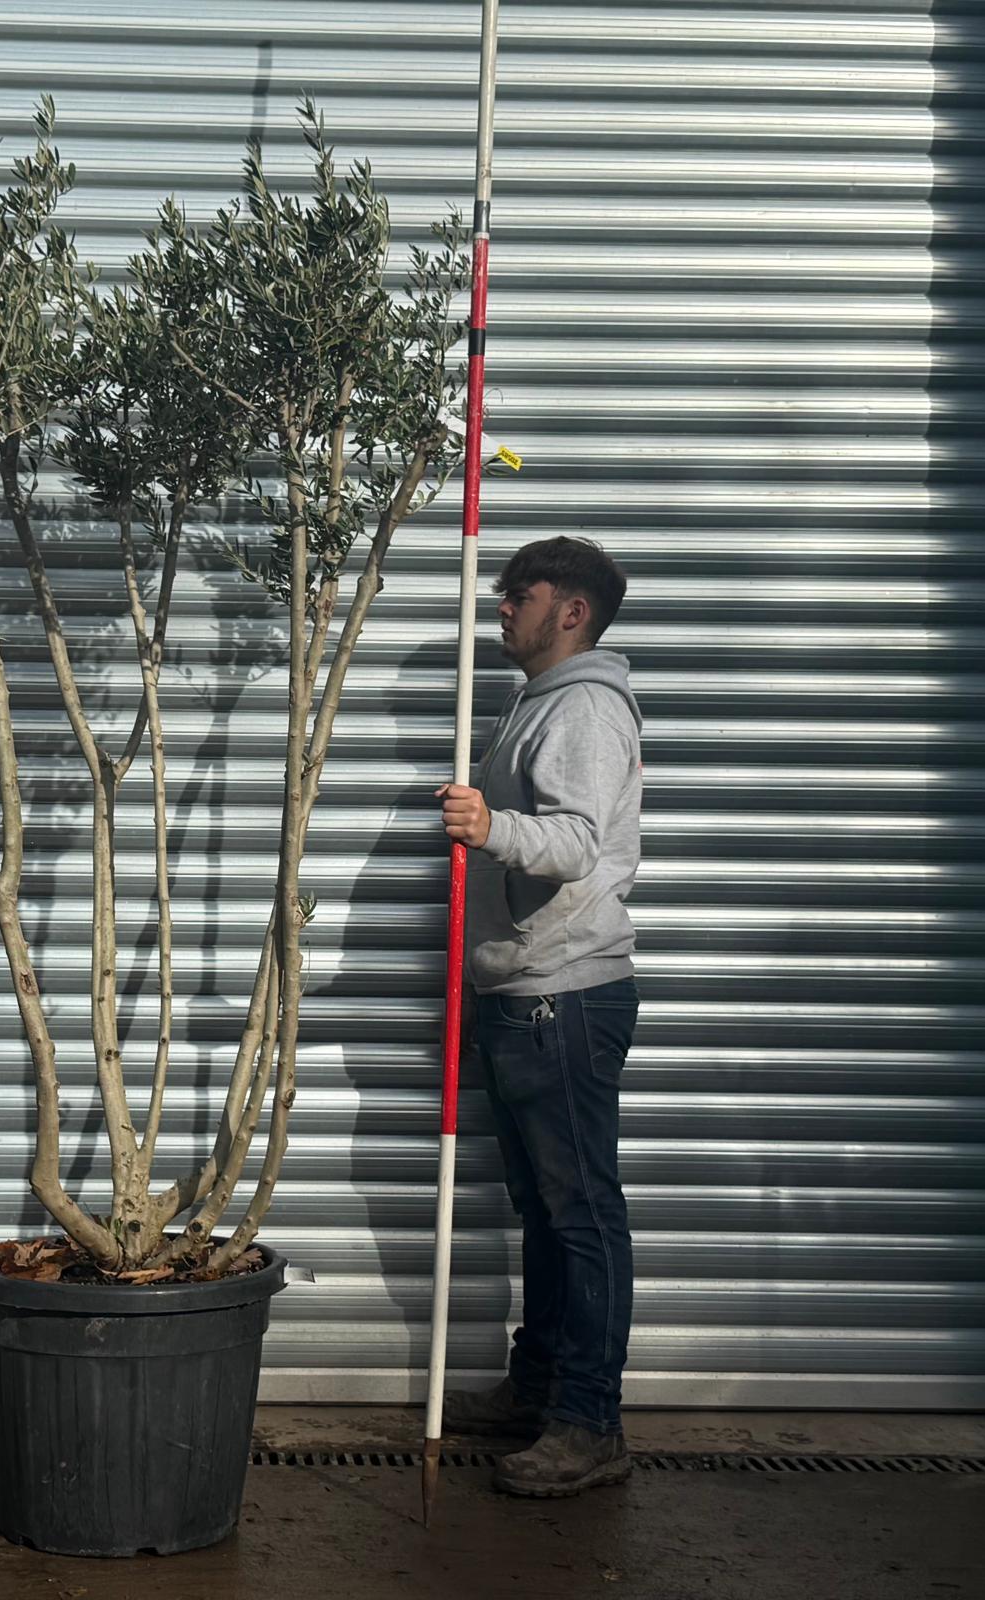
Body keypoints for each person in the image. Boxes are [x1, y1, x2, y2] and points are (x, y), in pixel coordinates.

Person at [435, 535, 643, 1498]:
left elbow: (575, 841)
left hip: (564, 994)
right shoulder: (539, 702)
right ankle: (542, 1388)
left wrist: (491, 826)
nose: (502, 605)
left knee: (580, 1213)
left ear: (573, 612)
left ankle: (589, 1423)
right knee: (547, 1211)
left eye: (521, 593)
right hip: (524, 992)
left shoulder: (584, 707)